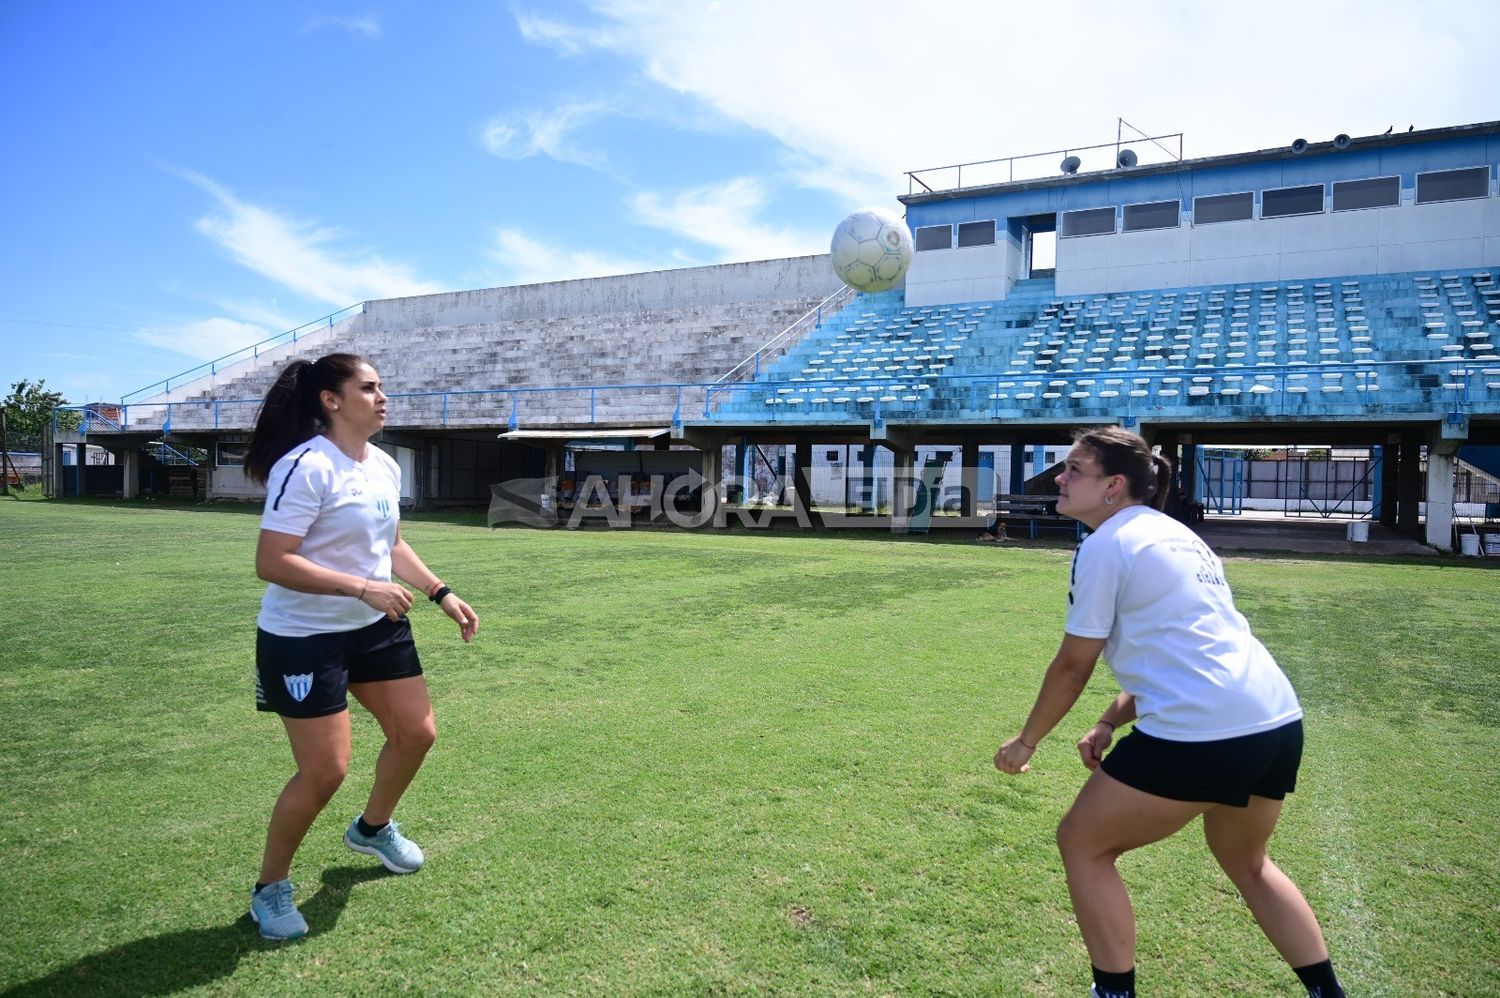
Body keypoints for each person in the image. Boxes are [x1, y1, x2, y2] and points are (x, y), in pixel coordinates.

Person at [993, 427, 1344, 998]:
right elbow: (1185, 653)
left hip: (1205, 732)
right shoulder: (1177, 536)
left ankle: (1113, 993)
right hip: (1275, 721)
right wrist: (1109, 721)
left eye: (1074, 470)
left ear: (1113, 485)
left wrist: (1026, 741)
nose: (1060, 478)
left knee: (1084, 843)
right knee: (1246, 861)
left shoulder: (1107, 544)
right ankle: (1329, 993)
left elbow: (1072, 665)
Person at [241, 353, 479, 940]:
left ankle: (372, 829)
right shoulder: (305, 467)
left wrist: (438, 591)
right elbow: (272, 562)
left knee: (417, 733)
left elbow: (391, 541)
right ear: (331, 399)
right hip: (303, 637)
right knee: (325, 772)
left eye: (382, 387)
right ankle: (270, 888)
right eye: (369, 387)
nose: (382, 397)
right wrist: (362, 587)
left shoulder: (384, 467)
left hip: (375, 626)